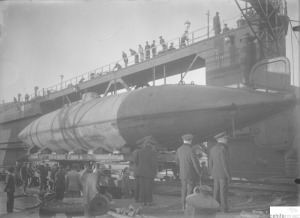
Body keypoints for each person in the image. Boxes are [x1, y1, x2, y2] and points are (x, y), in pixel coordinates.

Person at [175, 134, 202, 210]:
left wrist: (183, 166)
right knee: (190, 190)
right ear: (190, 141)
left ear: (183, 140)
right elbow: (195, 163)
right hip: (190, 174)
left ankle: (183, 206)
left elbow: (176, 161)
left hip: (182, 174)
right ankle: (188, 206)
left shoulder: (179, 149)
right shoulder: (191, 150)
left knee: (183, 189)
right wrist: (199, 172)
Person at [209, 132, 231, 213]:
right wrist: (228, 175)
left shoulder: (213, 148)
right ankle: (224, 209)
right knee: (223, 192)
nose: (227, 140)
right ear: (220, 139)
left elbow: (210, 162)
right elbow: (225, 164)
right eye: (225, 139)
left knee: (216, 191)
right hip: (222, 174)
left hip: (215, 174)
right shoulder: (223, 149)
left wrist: (211, 173)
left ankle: (214, 208)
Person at [134, 136, 157, 206]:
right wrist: (154, 171)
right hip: (149, 172)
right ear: (151, 145)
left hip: (140, 172)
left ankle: (143, 201)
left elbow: (136, 162)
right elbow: (153, 163)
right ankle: (149, 201)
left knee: (142, 187)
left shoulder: (139, 151)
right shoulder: (152, 152)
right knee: (148, 187)